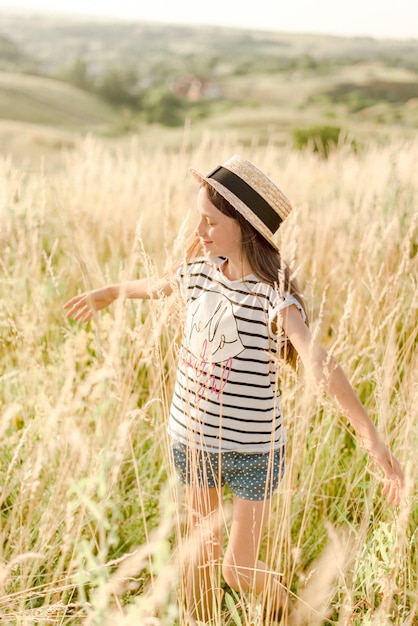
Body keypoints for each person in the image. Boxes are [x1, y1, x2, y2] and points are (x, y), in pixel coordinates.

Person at [64, 155, 404, 623]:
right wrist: (111, 291)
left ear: (244, 227)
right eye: (199, 218)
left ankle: (294, 608)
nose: (200, 230)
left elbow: (319, 361)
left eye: (210, 221)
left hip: (253, 451)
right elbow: (158, 285)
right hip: (192, 442)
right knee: (200, 559)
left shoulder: (272, 295)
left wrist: (370, 437)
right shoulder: (201, 271)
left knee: (238, 568)